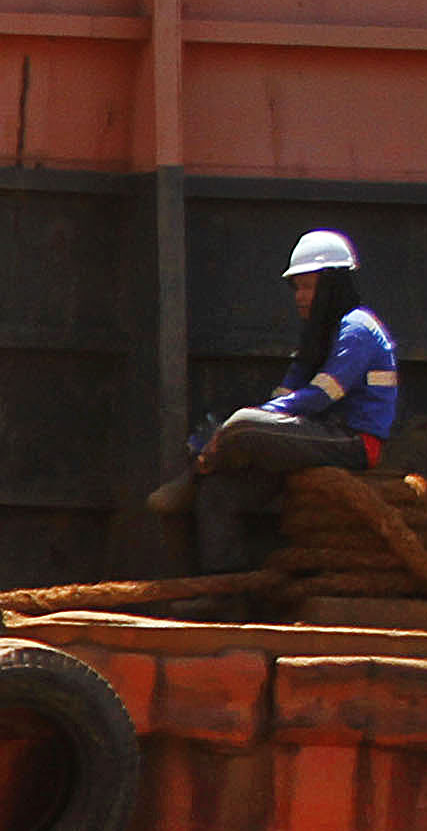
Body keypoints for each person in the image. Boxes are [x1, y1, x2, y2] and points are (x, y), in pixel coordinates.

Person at [148, 230, 400, 575]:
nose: (300, 297)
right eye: (296, 288)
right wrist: (243, 424)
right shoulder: (316, 336)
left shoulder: (356, 330)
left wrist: (248, 422)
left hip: (351, 441)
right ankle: (225, 590)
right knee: (218, 493)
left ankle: (196, 470)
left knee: (243, 426)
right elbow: (287, 394)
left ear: (333, 285)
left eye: (308, 286)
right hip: (310, 436)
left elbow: (320, 396)